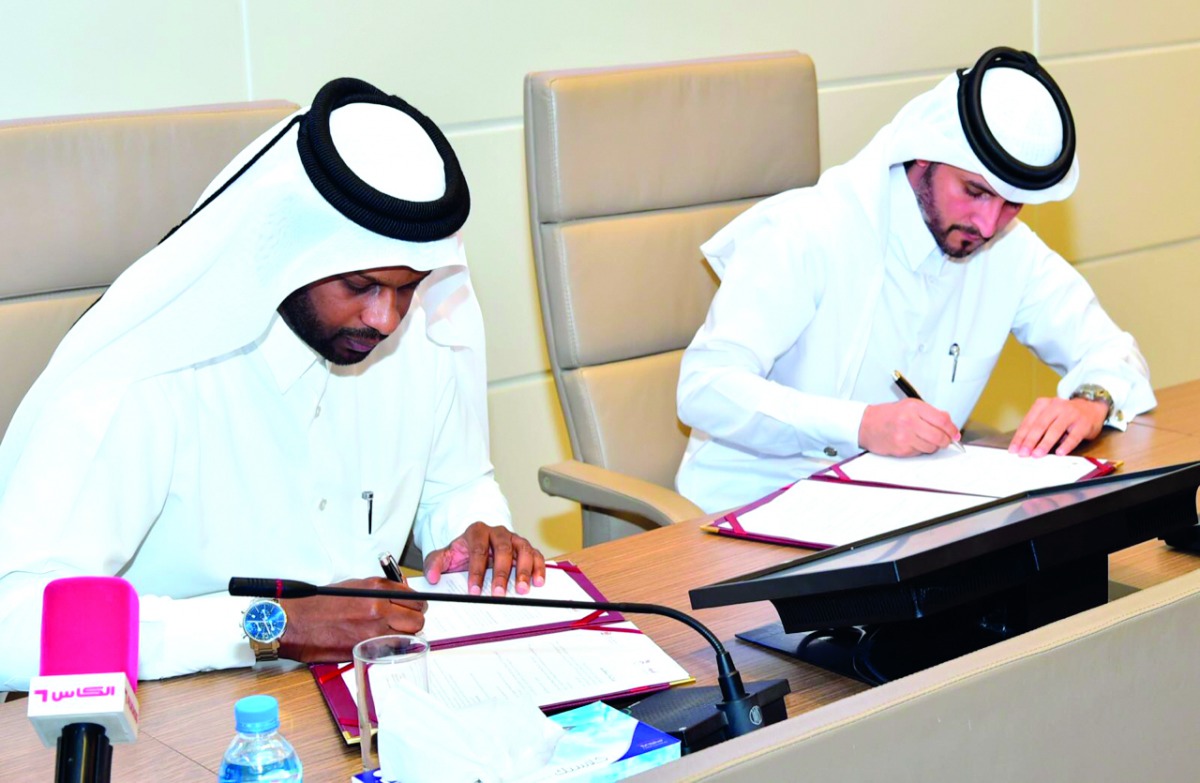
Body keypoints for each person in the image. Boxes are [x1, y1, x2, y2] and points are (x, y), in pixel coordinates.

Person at [0, 77, 544, 691]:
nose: (386, 318)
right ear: (294, 250)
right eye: (361, 285)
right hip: (182, 717)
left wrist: (471, 533)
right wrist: (273, 627)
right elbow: (14, 626)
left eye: (409, 286)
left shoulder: (420, 335)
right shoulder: (150, 375)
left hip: (370, 700)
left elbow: (458, 482)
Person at [675, 48, 1156, 513]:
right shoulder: (809, 230)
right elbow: (705, 388)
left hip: (894, 521)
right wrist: (860, 425)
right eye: (974, 192)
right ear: (923, 155)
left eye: (1011, 204)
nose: (988, 225)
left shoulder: (1010, 250)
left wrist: (1091, 401)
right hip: (747, 514)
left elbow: (1112, 350)